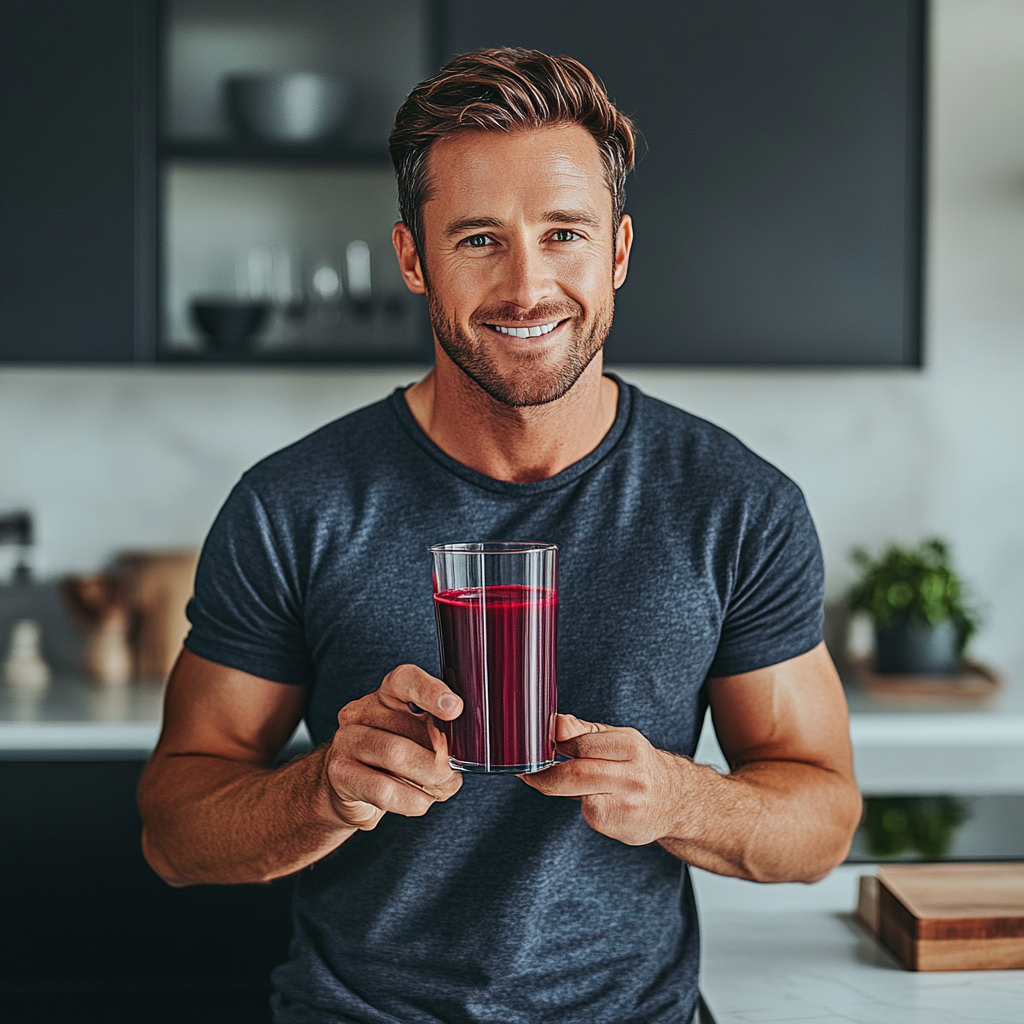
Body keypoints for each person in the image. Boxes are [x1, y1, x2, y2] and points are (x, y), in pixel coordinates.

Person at [139, 48, 861, 1024]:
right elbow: (175, 832)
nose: (527, 285)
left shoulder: (732, 503)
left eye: (563, 233)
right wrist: (327, 788)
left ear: (616, 252)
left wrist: (677, 797)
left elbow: (820, 821)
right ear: (411, 258)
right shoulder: (296, 504)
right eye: (479, 238)